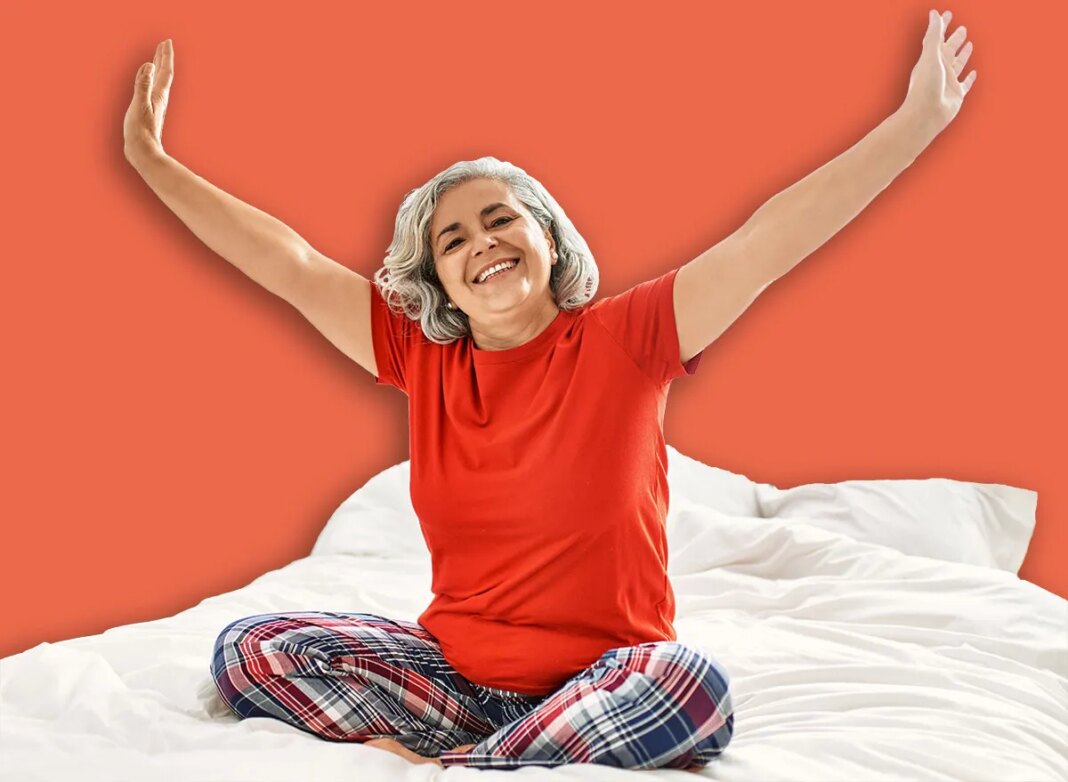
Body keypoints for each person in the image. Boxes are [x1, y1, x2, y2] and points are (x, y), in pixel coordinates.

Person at [123, 11, 975, 770]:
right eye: (453, 239)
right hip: (457, 678)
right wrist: (150, 161)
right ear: (439, 282)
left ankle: (471, 766)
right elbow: (288, 260)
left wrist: (913, 126)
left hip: (610, 678)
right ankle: (507, 752)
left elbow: (768, 240)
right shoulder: (419, 355)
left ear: (548, 238)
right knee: (253, 647)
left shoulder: (629, 337)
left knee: (693, 688)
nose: (482, 243)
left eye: (502, 219)